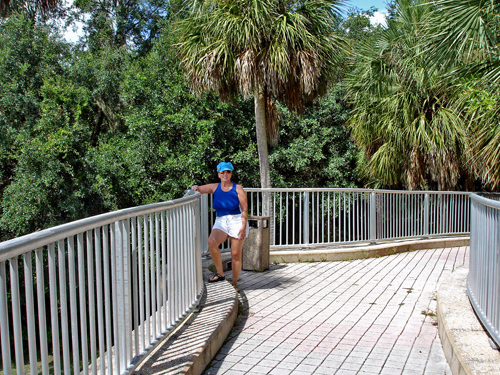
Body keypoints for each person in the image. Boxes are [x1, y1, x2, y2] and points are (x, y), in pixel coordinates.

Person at [191, 162, 248, 289]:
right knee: (211, 243)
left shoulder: (238, 188)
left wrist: (243, 227)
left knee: (235, 254)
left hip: (237, 220)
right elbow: (199, 189)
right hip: (221, 220)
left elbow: (244, 209)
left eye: (227, 172)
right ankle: (220, 273)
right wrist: (195, 187)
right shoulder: (215, 187)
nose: (225, 174)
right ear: (218, 174)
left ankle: (234, 283)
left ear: (231, 173)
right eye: (222, 172)